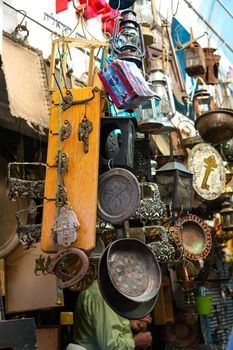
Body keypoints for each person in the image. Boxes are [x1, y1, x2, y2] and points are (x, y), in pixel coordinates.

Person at [73, 280, 153, 350]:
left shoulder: (108, 292)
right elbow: (109, 346)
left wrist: (130, 321)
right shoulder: (104, 296)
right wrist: (135, 342)